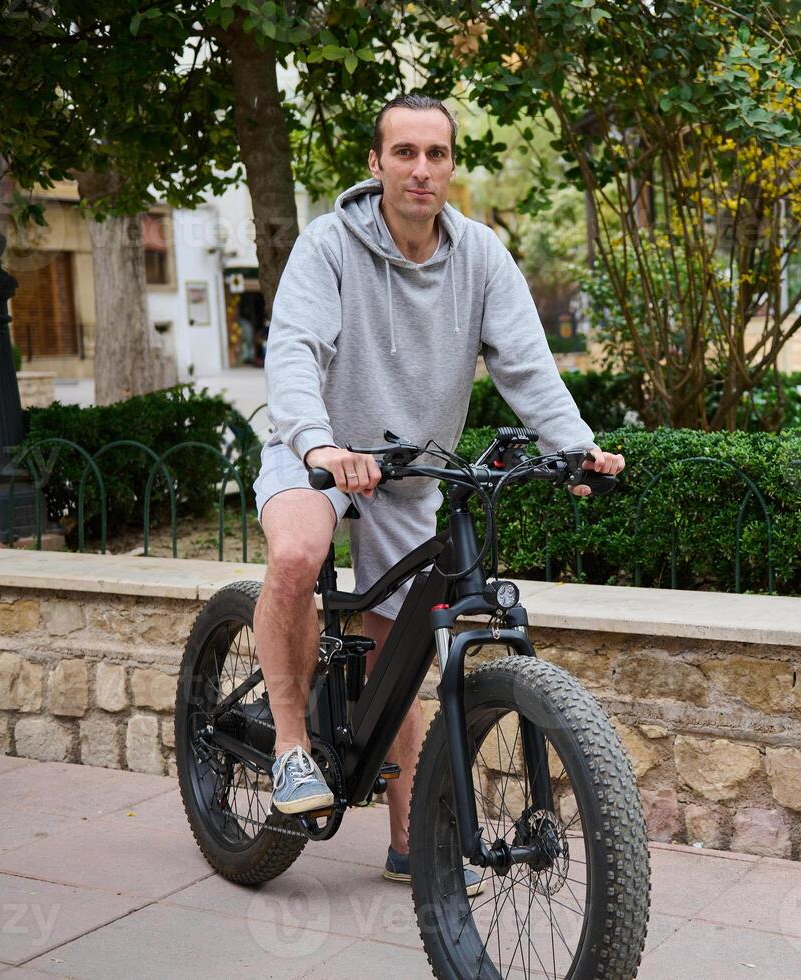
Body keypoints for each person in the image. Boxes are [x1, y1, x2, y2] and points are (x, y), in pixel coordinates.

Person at [249, 93, 625, 892]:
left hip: (408, 468)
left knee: (402, 644)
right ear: (376, 163)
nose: (421, 169)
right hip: (313, 447)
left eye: (437, 155)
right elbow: (295, 356)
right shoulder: (328, 246)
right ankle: (288, 748)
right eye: (405, 153)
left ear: (451, 165)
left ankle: (408, 845)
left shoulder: (481, 256)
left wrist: (577, 451)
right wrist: (319, 444)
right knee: (295, 555)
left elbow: (528, 366)